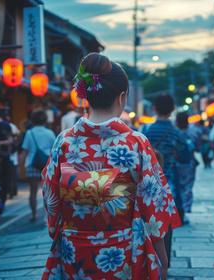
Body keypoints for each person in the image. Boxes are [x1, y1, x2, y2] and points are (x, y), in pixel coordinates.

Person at [41, 53, 181, 280]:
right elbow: (153, 203)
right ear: (122, 97)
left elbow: (51, 199)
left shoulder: (64, 142)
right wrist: (162, 257)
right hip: (122, 249)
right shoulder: (136, 142)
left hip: (74, 248)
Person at [143, 93, 190, 265]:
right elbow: (186, 157)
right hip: (168, 183)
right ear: (172, 109)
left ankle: (148, 261)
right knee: (167, 225)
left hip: (147, 184)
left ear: (154, 109)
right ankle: (164, 264)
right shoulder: (176, 133)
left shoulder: (145, 131)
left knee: (148, 223)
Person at [18, 110, 56, 222]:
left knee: (33, 192)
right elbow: (55, 151)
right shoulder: (50, 133)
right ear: (45, 120)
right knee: (48, 191)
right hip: (47, 165)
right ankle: (45, 217)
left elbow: (24, 151)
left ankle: (34, 214)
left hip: (32, 164)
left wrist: (19, 167)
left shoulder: (29, 133)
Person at [175, 112, 199, 221]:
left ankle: (177, 211)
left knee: (177, 187)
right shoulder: (192, 133)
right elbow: (198, 147)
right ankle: (184, 211)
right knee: (187, 188)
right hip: (189, 164)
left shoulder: (175, 134)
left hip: (177, 164)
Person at [6, 114, 21, 199]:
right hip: (12, 155)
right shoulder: (12, 126)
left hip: (10, 155)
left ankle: (10, 192)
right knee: (12, 175)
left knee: (10, 175)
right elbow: (18, 133)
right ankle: (12, 192)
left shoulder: (9, 126)